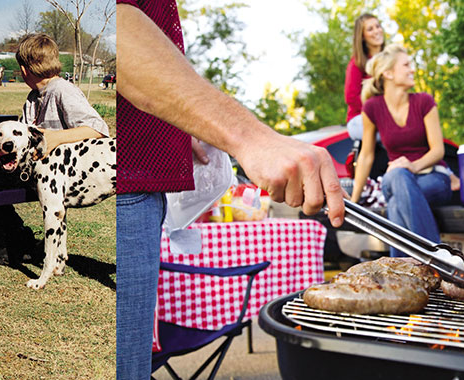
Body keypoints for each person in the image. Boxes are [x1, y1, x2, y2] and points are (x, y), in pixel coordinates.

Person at [116, 2, 344, 378]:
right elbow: (116, 24)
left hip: (137, 181)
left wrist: (179, 125)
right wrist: (252, 138)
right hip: (123, 184)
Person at [0, 33, 109, 265]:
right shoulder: (33, 97)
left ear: (25, 68)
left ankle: (1, 241)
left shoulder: (62, 90)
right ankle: (15, 235)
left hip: (55, 173)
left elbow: (99, 129)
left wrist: (56, 138)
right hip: (25, 166)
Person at [351, 45, 451, 258]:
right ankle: (437, 258)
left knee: (396, 202)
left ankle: (404, 271)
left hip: (433, 177)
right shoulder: (372, 108)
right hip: (394, 178)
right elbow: (366, 156)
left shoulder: (424, 101)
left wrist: (412, 166)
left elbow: (438, 150)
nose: (412, 70)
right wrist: (354, 200)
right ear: (388, 73)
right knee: (397, 176)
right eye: (406, 65)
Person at [344, 13, 385, 140]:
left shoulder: (390, 61)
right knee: (394, 133)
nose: (376, 31)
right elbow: (351, 97)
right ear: (362, 36)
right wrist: (377, 114)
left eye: (378, 26)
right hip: (359, 119)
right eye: (370, 29)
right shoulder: (358, 63)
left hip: (385, 118)